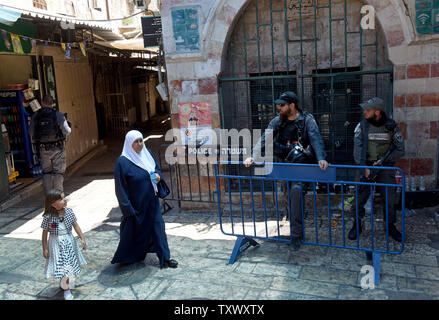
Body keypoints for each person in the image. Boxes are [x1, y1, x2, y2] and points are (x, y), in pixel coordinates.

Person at [244, 91, 329, 250]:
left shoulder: (307, 120)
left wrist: (321, 158)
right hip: (285, 167)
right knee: (290, 198)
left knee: (296, 193)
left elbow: (316, 139)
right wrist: (253, 155)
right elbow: (265, 138)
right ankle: (297, 219)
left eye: (282, 105)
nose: (278, 107)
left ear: (292, 105)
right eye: (278, 104)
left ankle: (296, 235)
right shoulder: (277, 121)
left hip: (302, 167)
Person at [111, 130, 178, 269]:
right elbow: (120, 188)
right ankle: (129, 257)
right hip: (136, 206)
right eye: (136, 141)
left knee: (158, 228)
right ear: (129, 143)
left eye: (141, 140)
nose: (139, 144)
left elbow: (156, 169)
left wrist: (158, 176)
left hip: (152, 202)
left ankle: (166, 257)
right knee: (133, 233)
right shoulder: (123, 162)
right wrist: (127, 208)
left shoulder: (147, 154)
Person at [350, 97, 404, 242]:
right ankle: (357, 224)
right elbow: (357, 149)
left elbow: (400, 149)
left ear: (377, 112)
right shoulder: (362, 126)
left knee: (390, 199)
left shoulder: (392, 127)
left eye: (368, 109)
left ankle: (390, 226)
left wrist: (384, 161)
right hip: (365, 167)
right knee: (358, 198)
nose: (364, 111)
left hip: (385, 168)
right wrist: (364, 168)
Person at [41, 189, 87, 300]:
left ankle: (66, 284)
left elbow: (76, 225)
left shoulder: (69, 212)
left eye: (64, 197)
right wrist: (44, 249)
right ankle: (66, 290)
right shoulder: (49, 217)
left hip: (69, 241)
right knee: (63, 266)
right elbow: (45, 232)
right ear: (53, 204)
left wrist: (82, 238)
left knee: (69, 264)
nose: (65, 200)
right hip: (56, 243)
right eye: (61, 199)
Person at [29, 95, 71, 195]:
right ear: (52, 103)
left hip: (43, 149)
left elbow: (30, 133)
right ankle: (58, 196)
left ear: (42, 103)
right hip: (58, 148)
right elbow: (67, 131)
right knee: (58, 172)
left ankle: (48, 197)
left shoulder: (36, 116)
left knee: (46, 172)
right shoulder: (58, 115)